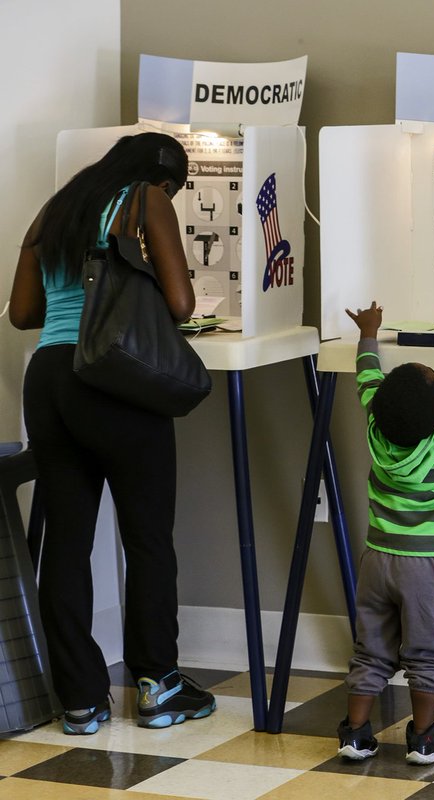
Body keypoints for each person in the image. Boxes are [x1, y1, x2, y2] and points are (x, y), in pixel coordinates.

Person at [7, 131, 216, 734]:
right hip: (113, 378)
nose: (170, 195)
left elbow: (24, 313)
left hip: (49, 378)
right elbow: (180, 303)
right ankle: (157, 687)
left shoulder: (56, 208)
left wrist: (77, 301)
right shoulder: (144, 198)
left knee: (66, 541)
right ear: (164, 177)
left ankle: (80, 699)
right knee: (148, 539)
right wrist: (141, 274)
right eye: (174, 186)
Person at [337, 302, 434, 765]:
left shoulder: (375, 428)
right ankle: (424, 737)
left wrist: (369, 332)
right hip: (424, 569)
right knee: (427, 651)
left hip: (375, 560)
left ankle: (356, 733)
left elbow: (367, 375)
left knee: (371, 648)